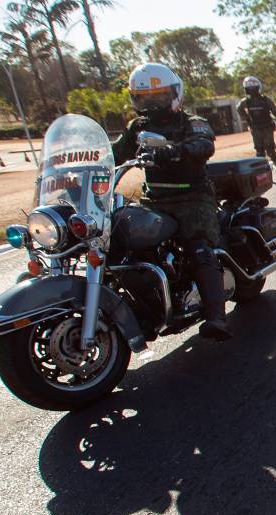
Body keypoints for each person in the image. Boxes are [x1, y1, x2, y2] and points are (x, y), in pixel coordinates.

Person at [112, 62, 232, 341]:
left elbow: (204, 145)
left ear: (175, 94)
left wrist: (174, 152)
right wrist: (85, 165)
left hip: (192, 197)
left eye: (160, 96)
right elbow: (116, 153)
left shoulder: (190, 122)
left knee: (199, 247)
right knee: (117, 241)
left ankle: (217, 317)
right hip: (155, 199)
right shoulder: (138, 127)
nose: (153, 104)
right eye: (145, 98)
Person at [237, 76, 276, 179]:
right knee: (268, 151)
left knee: (261, 152)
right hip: (263, 128)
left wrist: (247, 119)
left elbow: (239, 109)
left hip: (259, 129)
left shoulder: (247, 101)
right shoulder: (264, 100)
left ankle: (267, 173)